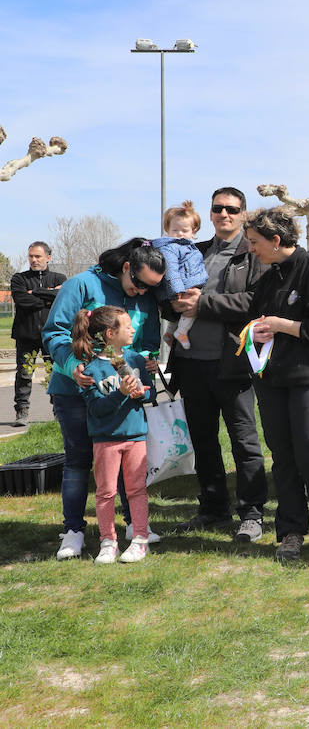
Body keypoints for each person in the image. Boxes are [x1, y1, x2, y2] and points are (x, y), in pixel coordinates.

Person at [43, 238, 166, 560]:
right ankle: (73, 531)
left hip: (124, 398)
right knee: (79, 460)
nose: (142, 293)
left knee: (126, 461)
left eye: (150, 289)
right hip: (74, 391)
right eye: (139, 284)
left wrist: (145, 372)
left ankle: (132, 526)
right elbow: (54, 332)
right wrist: (73, 367)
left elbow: (148, 343)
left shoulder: (145, 297)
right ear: (127, 267)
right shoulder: (82, 284)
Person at [240, 208, 309, 561]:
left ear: (275, 240)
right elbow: (257, 319)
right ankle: (290, 530)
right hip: (274, 381)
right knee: (283, 457)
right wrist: (257, 329)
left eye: (255, 243)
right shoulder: (269, 278)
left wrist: (283, 324)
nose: (251, 249)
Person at [167, 188, 270, 543]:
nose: (224, 214)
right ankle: (213, 507)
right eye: (218, 208)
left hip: (233, 363)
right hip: (191, 363)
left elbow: (257, 300)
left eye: (232, 209)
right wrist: (175, 304)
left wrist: (205, 304)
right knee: (203, 441)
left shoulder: (252, 253)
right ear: (210, 214)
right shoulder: (193, 251)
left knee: (244, 440)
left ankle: (253, 512)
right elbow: (170, 295)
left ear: (243, 214)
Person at [73, 306, 154, 565]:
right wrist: (119, 393)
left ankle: (140, 539)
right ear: (110, 333)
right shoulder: (91, 371)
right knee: (106, 492)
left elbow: (150, 393)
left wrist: (143, 393)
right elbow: (96, 409)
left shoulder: (137, 361)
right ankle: (108, 542)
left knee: (137, 490)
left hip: (136, 435)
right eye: (127, 326)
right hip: (106, 439)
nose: (133, 330)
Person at [10, 240, 65, 426]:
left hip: (52, 336)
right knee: (24, 374)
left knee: (55, 374)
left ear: (48, 258)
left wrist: (34, 292)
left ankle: (58, 411)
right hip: (26, 335)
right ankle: (22, 412)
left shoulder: (59, 278)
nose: (33, 260)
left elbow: (61, 298)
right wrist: (48, 295)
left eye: (38, 256)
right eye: (31, 256)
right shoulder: (19, 278)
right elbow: (21, 300)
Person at [153, 202, 209, 350]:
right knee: (191, 309)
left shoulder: (188, 247)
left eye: (184, 230)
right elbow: (171, 270)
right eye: (175, 230)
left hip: (187, 282)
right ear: (167, 229)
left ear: (193, 231)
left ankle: (171, 332)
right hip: (182, 286)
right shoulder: (170, 247)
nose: (179, 234)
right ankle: (181, 332)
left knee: (184, 311)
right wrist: (176, 290)